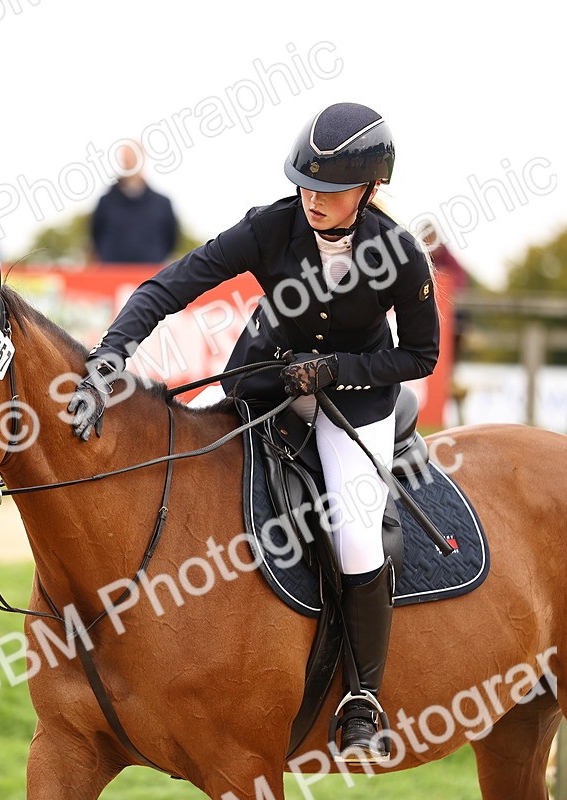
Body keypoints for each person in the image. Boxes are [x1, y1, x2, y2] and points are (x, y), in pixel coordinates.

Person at [67, 103, 439, 765]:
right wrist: (111, 351)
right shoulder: (270, 228)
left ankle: (363, 699)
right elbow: (172, 284)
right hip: (263, 383)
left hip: (355, 403)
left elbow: (421, 357)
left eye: (330, 189)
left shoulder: (401, 253)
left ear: (371, 189)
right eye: (305, 183)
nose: (313, 198)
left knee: (354, 532)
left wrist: (335, 369)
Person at [89, 143, 178, 264]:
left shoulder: (162, 204)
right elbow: (96, 235)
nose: (128, 161)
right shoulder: (106, 202)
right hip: (112, 274)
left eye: (132, 157)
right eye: (125, 157)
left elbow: (171, 239)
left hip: (150, 275)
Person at [417, 220, 471, 361]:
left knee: (452, 344)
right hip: (425, 311)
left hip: (448, 312)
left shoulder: (448, 260)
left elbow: (458, 284)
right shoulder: (417, 257)